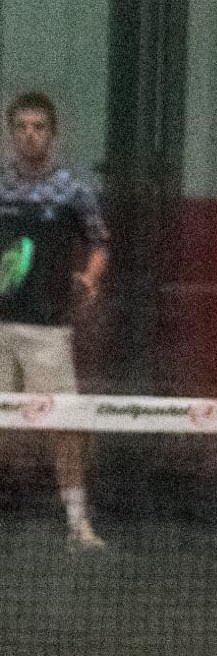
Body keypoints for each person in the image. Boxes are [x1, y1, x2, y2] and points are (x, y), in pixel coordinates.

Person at [0, 91, 108, 550]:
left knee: (66, 424)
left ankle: (78, 524)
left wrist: (89, 278)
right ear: (11, 133)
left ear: (52, 134)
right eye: (21, 127)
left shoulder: (72, 190)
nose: (30, 135)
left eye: (38, 127)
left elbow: (99, 243)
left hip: (48, 329)